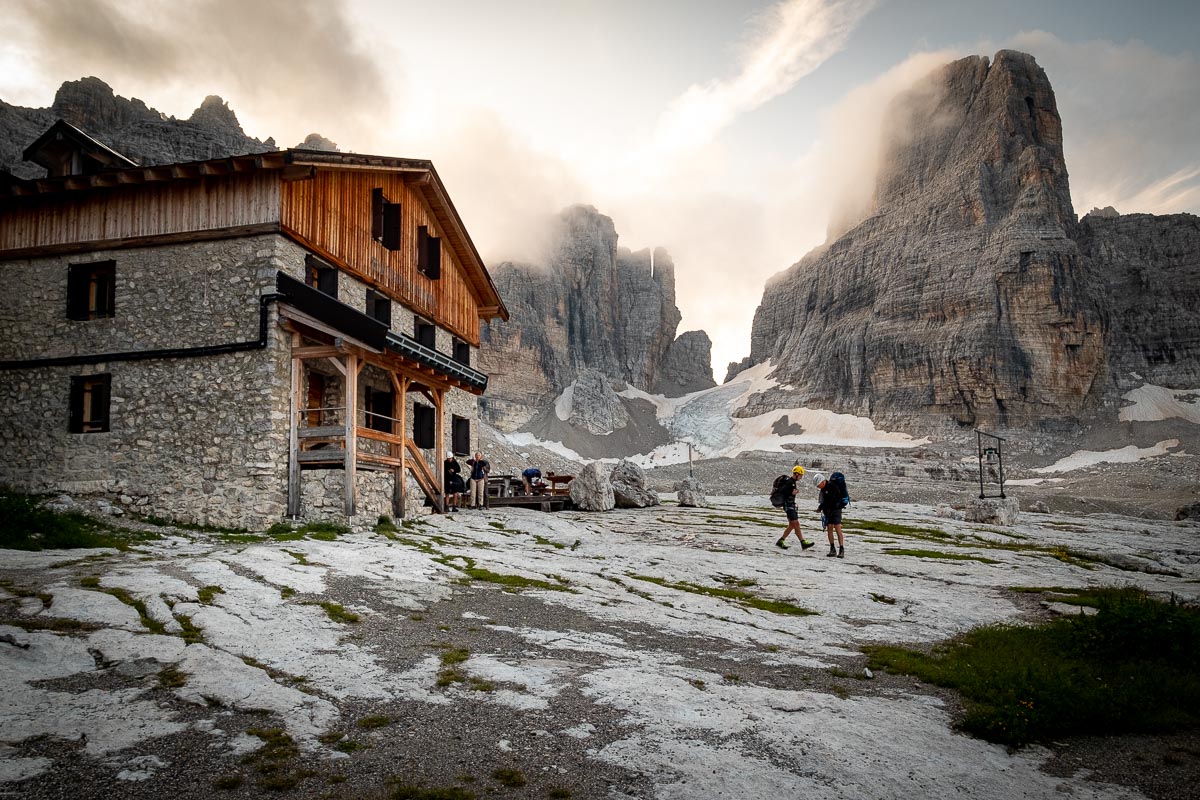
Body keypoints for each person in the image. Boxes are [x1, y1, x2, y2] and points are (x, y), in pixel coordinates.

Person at [775, 465, 815, 551]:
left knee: (793, 525)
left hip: (790, 505)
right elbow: (784, 493)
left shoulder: (791, 482)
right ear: (796, 474)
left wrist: (793, 493)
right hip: (789, 506)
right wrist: (792, 494)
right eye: (800, 475)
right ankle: (802, 542)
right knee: (795, 524)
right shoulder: (790, 482)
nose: (801, 477)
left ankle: (781, 541)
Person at [815, 472, 846, 558]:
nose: (818, 487)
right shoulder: (823, 489)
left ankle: (841, 549)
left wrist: (821, 507)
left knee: (837, 528)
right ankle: (832, 548)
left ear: (823, 481)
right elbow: (825, 501)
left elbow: (830, 500)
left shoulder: (832, 486)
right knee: (829, 528)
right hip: (828, 511)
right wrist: (821, 508)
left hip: (835, 510)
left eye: (818, 485)